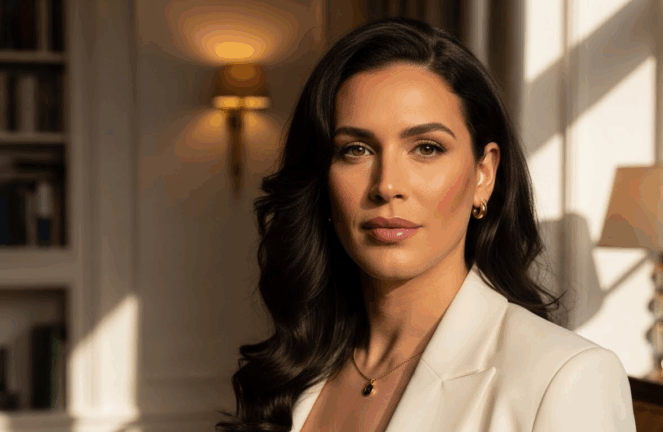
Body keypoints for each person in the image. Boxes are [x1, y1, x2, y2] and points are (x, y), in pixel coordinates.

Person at [216, 17, 636, 432]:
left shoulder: (566, 379)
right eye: (356, 149)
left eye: (427, 148)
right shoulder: (297, 367)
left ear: (483, 174)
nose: (387, 185)